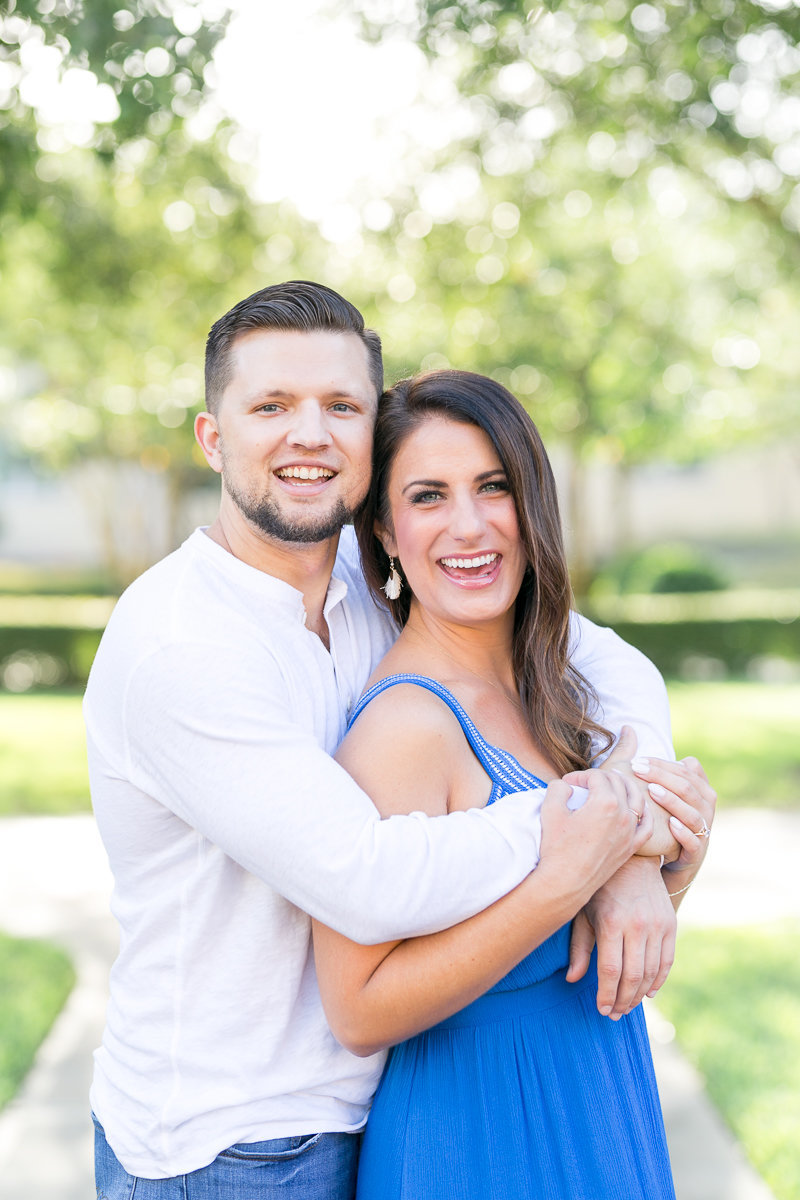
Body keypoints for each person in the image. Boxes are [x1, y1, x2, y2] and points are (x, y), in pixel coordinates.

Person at [84, 281, 708, 1199]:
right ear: (212, 439)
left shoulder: (370, 581)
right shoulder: (184, 646)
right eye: (271, 406)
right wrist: (600, 831)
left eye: (341, 406)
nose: (309, 435)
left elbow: (604, 662)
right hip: (231, 1145)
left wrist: (632, 847)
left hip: (371, 1106)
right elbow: (367, 880)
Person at [311, 369, 716, 1200]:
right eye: (428, 496)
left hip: (600, 1100)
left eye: (494, 486)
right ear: (384, 530)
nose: (469, 525)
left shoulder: (559, 688)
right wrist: (576, 872)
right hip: (479, 1140)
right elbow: (357, 1010)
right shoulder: (405, 728)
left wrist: (660, 870)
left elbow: (575, 956)